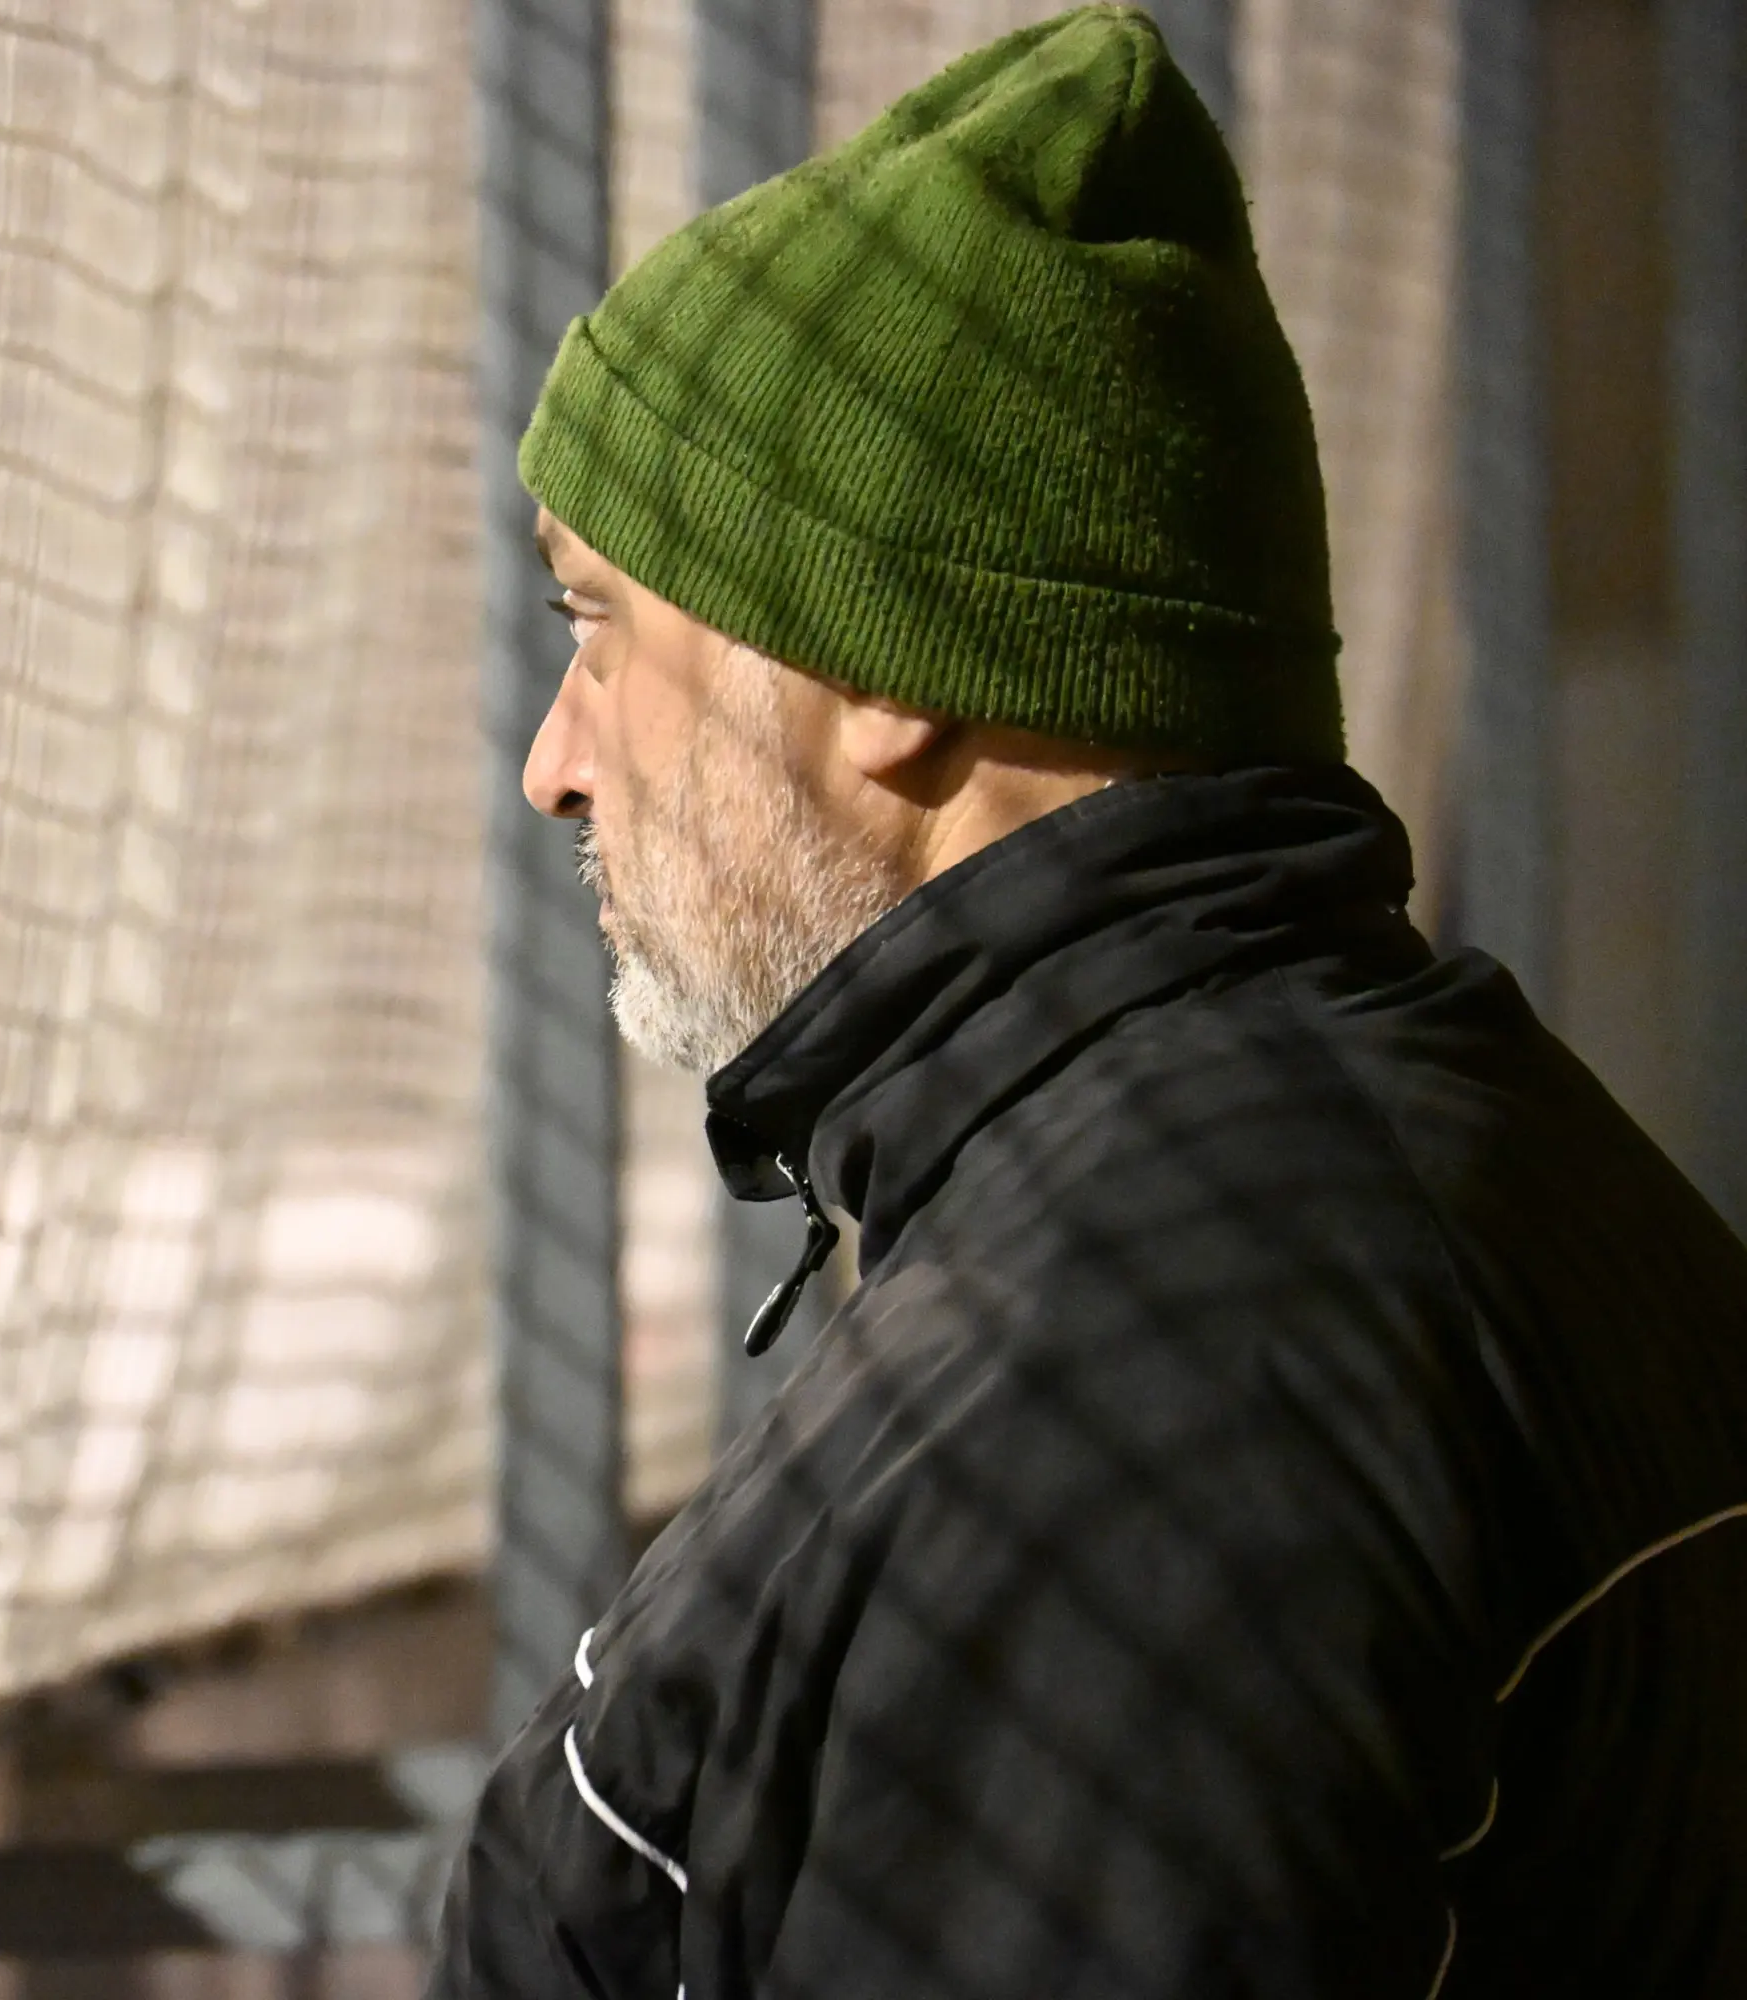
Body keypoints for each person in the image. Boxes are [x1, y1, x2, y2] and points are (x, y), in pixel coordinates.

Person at [428, 8, 1747, 1997]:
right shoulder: (1340, 1158)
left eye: (599, 625)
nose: (554, 757)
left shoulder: (1161, 1365)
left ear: (877, 666)